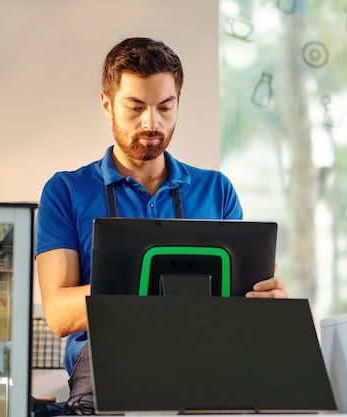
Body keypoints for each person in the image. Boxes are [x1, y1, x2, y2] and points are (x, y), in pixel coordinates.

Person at [34, 37, 288, 413]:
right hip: (108, 358)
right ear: (107, 104)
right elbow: (58, 314)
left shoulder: (216, 190)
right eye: (135, 107)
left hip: (208, 356)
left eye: (165, 107)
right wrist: (165, 295)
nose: (151, 123)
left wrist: (266, 305)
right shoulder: (65, 191)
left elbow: (241, 311)